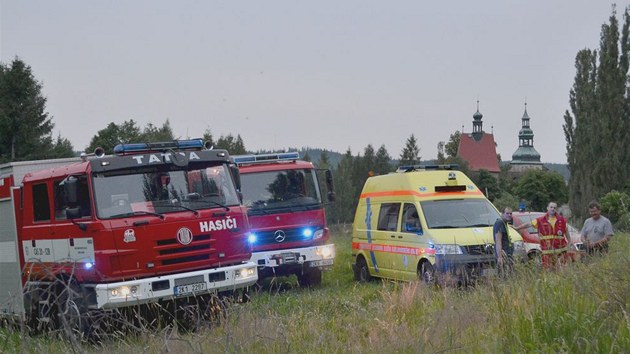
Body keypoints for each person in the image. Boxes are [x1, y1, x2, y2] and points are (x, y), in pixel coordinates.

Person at [515, 202, 571, 269]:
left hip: (561, 252)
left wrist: (569, 244)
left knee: (561, 272)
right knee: (548, 271)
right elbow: (528, 224)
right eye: (551, 207)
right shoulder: (540, 220)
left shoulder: (562, 220)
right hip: (547, 252)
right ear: (547, 208)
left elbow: (566, 233)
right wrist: (517, 228)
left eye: (554, 208)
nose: (553, 209)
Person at [493, 207, 514, 275]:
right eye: (507, 213)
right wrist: (500, 257)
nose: (509, 215)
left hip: (507, 252)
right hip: (503, 253)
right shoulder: (499, 223)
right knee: (503, 274)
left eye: (511, 213)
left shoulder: (504, 223)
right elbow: (498, 241)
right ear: (502, 214)